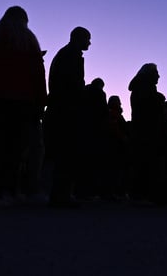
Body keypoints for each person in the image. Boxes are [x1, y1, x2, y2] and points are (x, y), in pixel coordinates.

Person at [0, 6, 47, 205]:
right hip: (21, 101)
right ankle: (7, 190)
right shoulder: (28, 38)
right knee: (15, 149)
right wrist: (41, 101)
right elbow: (37, 73)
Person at [45, 26, 91, 207]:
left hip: (62, 108)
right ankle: (60, 195)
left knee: (64, 153)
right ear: (78, 38)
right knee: (66, 152)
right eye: (87, 39)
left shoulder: (66, 54)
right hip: (66, 110)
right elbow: (71, 85)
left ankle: (61, 193)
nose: (89, 43)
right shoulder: (71, 56)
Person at [128, 63, 167, 203]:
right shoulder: (146, 89)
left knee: (144, 162)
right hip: (146, 132)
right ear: (149, 74)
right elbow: (149, 111)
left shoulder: (143, 88)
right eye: (156, 73)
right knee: (146, 162)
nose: (158, 76)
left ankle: (142, 194)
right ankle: (144, 194)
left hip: (144, 131)